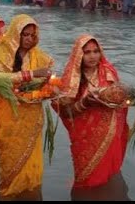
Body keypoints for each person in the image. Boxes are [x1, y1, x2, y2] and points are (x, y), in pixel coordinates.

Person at [52, 34, 129, 192]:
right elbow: (66, 113)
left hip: (110, 133)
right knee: (85, 182)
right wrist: (84, 102)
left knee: (108, 177)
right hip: (84, 138)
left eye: (96, 51)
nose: (92, 56)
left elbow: (120, 98)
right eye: (87, 52)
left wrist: (120, 97)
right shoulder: (71, 78)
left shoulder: (108, 72)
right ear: (79, 54)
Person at [0, 14, 54, 199]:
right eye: (24, 34)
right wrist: (30, 74)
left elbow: (48, 80)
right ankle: (8, 193)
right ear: (15, 33)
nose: (28, 39)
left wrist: (48, 87)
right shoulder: (1, 51)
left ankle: (32, 192)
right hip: (7, 111)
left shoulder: (39, 56)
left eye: (32, 35)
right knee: (9, 156)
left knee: (31, 163)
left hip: (32, 113)